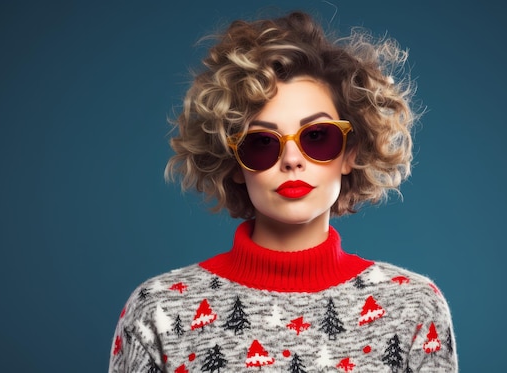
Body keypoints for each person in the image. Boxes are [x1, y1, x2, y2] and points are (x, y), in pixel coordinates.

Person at [109, 10, 457, 372]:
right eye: (262, 142)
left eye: (317, 136)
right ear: (235, 163)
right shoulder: (158, 311)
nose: (292, 160)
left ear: (350, 153)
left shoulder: (413, 307)